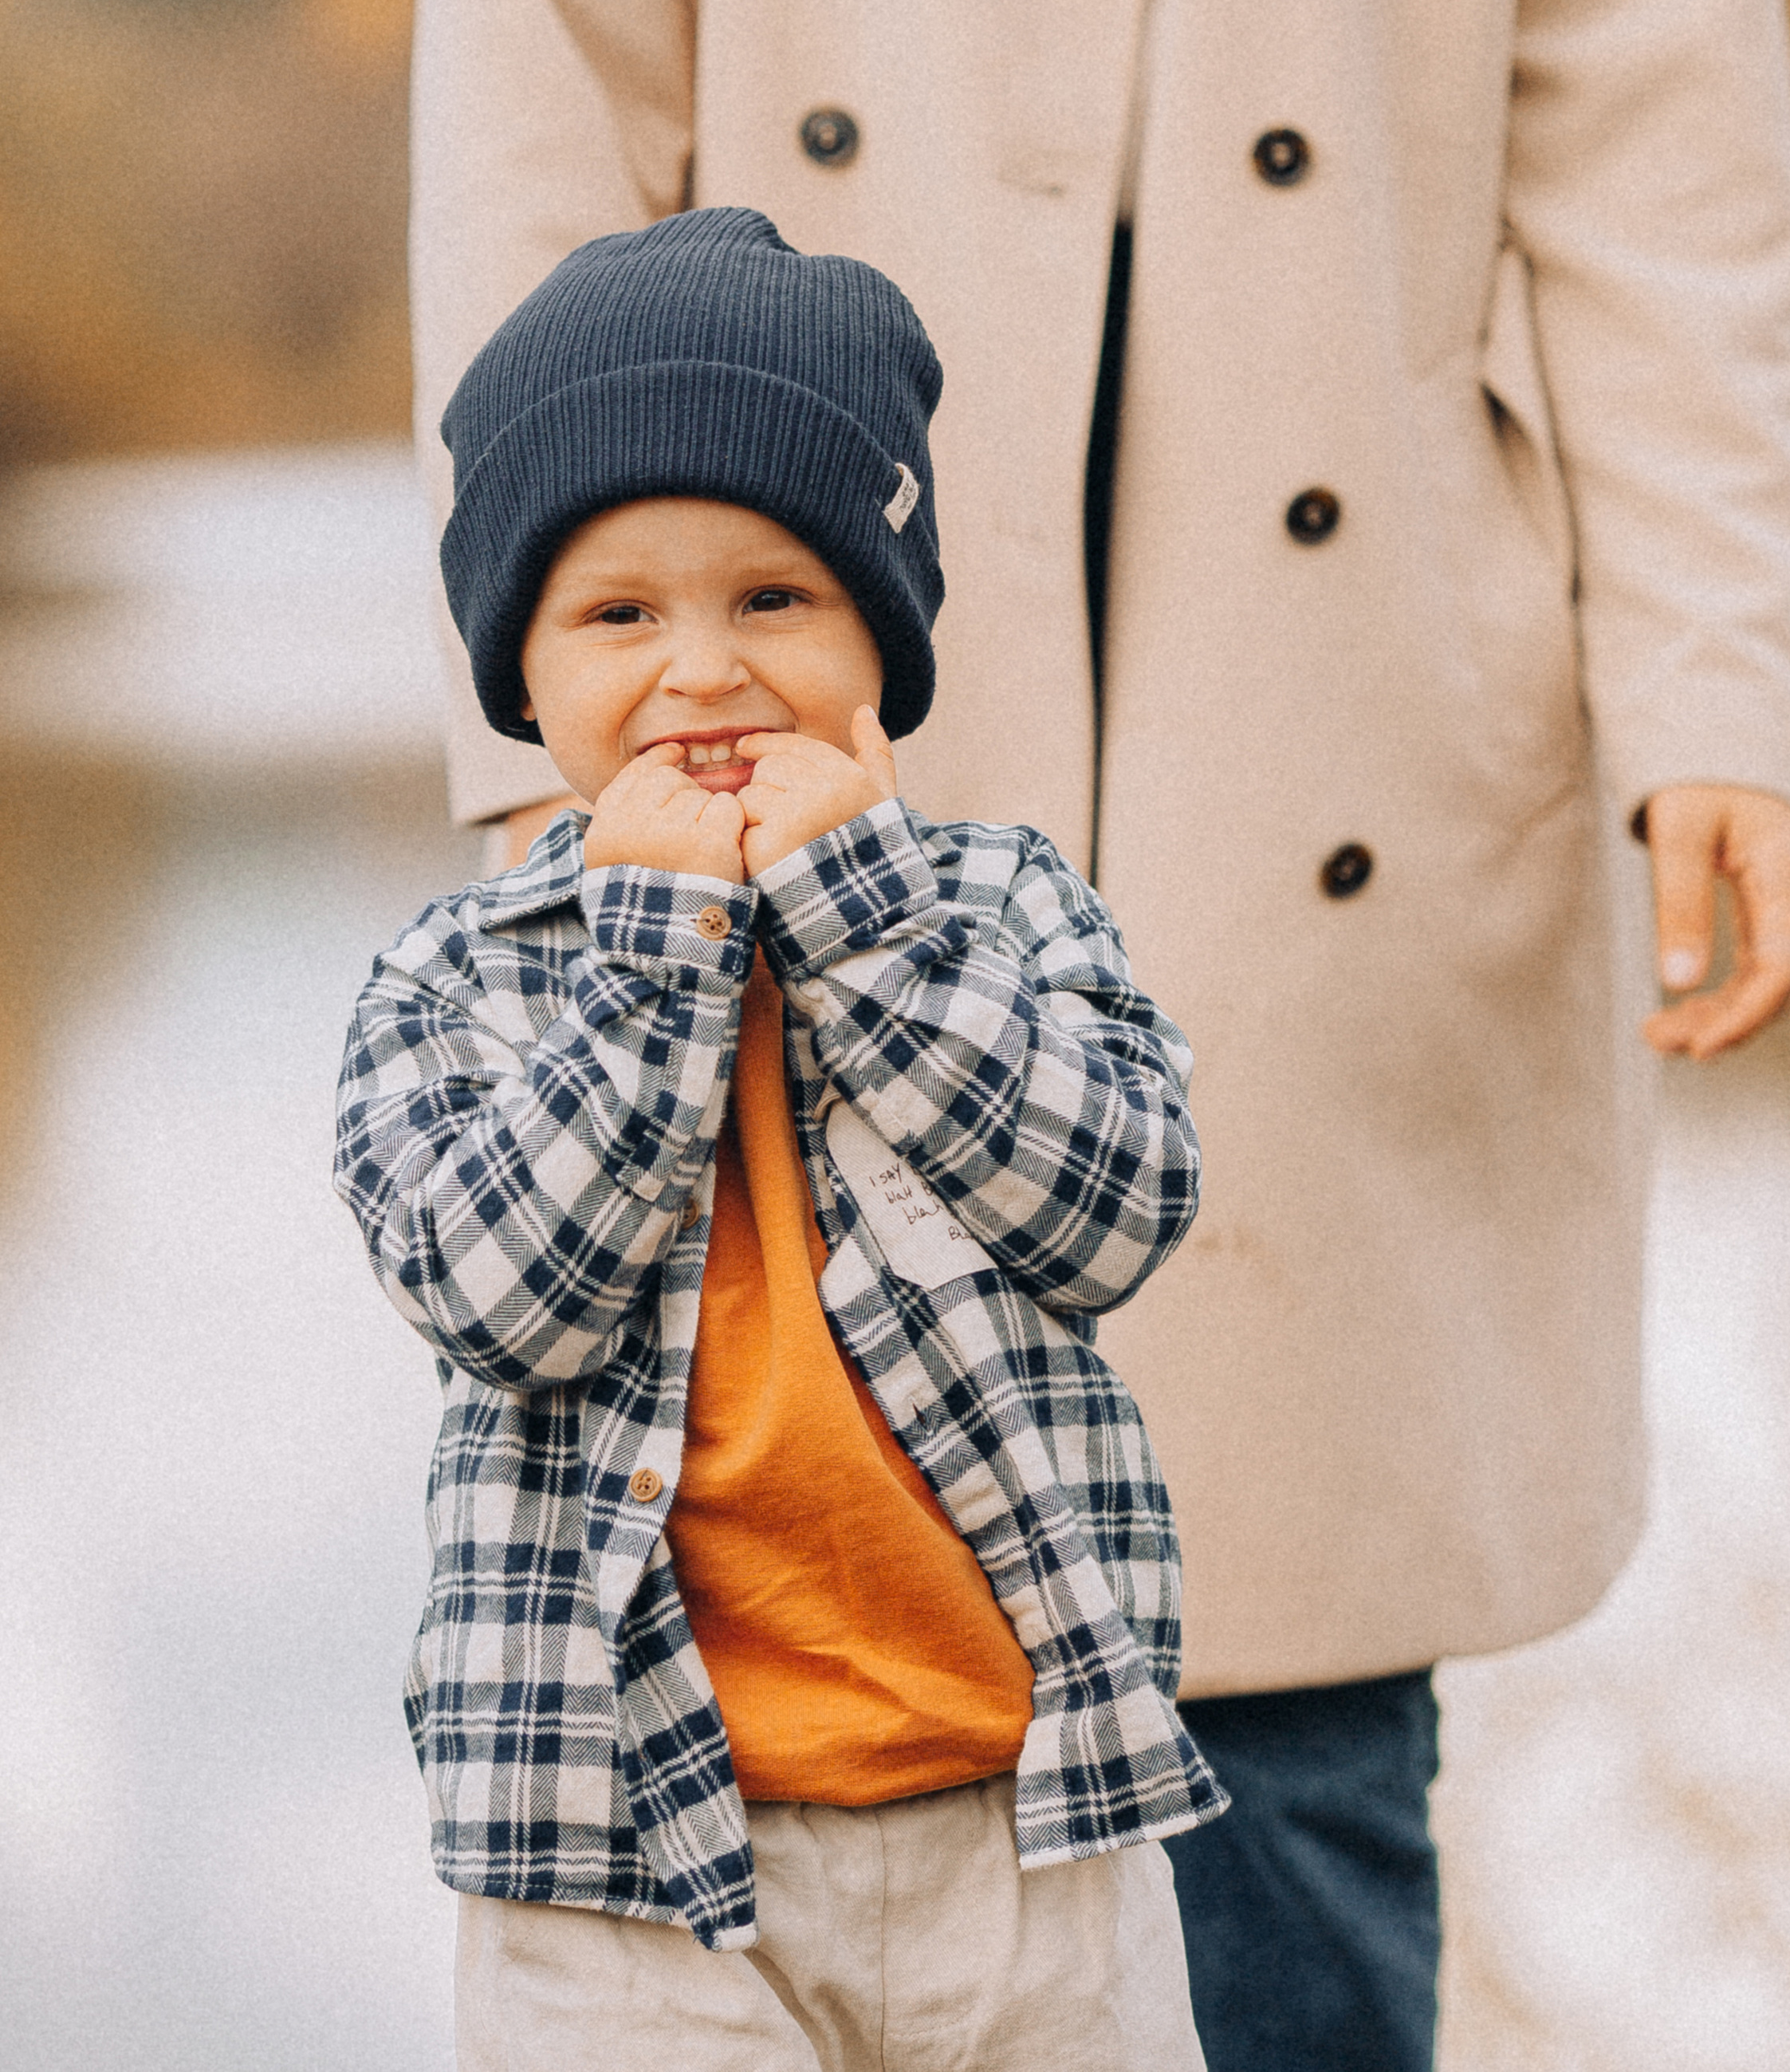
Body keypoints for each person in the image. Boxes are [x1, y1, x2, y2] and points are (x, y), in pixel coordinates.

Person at [407, 0, 1790, 2061]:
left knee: (1287, 1725)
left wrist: (1724, 680)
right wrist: (556, 771)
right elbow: (537, 115)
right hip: (780, 744)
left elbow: (1660, 115)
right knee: (788, 1652)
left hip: (1343, 751)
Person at [338, 205, 1225, 2070]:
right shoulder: (452, 982)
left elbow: (1116, 1212)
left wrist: (859, 918)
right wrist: (658, 957)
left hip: (1024, 1817)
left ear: (875, 635)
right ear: (524, 668)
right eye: (618, 615)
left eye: (771, 600)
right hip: (616, 1851)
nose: (701, 670)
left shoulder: (1001, 915)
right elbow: (508, 1303)